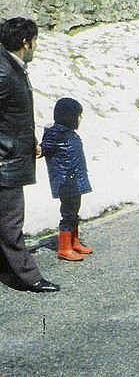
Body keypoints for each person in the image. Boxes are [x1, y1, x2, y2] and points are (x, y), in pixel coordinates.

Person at [0, 17, 59, 292]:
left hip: (11, 154)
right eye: (34, 42)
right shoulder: (3, 70)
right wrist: (8, 147)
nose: (36, 46)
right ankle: (28, 277)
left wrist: (28, 141)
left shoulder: (11, 65)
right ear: (25, 43)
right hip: (5, 162)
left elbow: (13, 115)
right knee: (11, 223)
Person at [41, 98, 93, 262]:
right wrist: (38, 150)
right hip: (65, 181)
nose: (80, 119)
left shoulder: (70, 133)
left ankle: (74, 241)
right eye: (79, 115)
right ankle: (64, 247)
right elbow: (44, 148)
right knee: (68, 211)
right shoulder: (56, 134)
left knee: (74, 209)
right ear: (69, 117)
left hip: (74, 179)